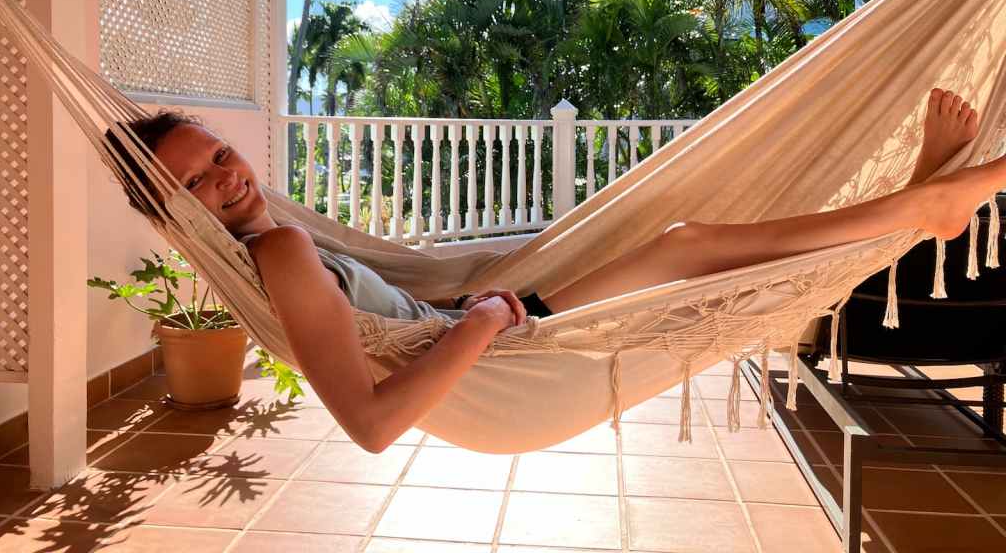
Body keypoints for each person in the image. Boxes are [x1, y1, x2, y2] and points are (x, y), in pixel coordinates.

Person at [112, 88, 993, 452]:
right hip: (496, 361)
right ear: (174, 209)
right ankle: (932, 204)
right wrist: (486, 320)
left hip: (484, 322)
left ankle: (915, 209)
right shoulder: (282, 252)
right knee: (688, 250)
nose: (226, 174)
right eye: (195, 181)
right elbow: (374, 425)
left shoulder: (275, 237)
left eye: (220, 151)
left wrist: (480, 295)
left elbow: (391, 293)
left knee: (684, 243)